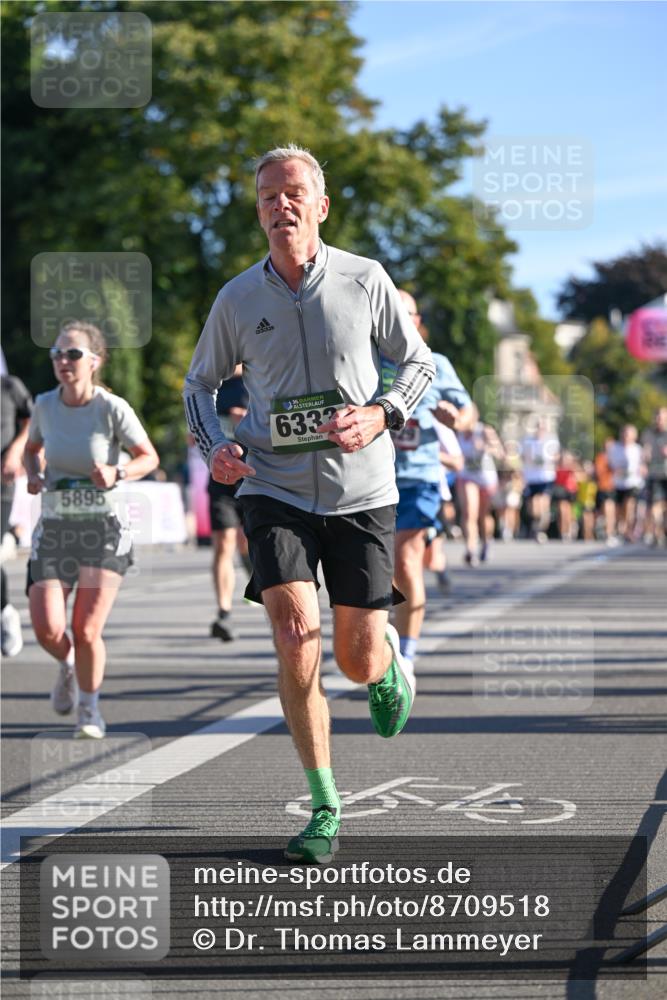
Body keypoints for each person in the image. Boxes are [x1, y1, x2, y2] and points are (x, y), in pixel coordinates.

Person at [184, 144, 435, 863]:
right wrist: (215, 448)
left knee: (352, 660)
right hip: (275, 486)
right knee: (296, 634)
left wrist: (382, 412)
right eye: (267, 196)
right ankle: (324, 804)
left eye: (293, 193)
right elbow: (197, 385)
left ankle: (384, 661)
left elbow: (416, 361)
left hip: (362, 489)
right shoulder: (236, 298)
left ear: (320, 206)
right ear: (258, 210)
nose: (280, 205)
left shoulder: (365, 279)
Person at [23, 322, 159, 738]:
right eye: (57, 354)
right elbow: (32, 449)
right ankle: (67, 665)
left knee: (85, 629)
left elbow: (147, 457)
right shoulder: (45, 405)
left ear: (94, 361)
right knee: (47, 629)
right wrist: (33, 473)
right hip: (55, 527)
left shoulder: (110, 408)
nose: (63, 361)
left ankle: (89, 709)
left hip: (103, 527)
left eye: (73, 354)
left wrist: (117, 471)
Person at [385, 291, 472, 667]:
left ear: (418, 321)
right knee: (379, 572)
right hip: (372, 482)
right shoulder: (366, 361)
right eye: (394, 314)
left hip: (419, 479)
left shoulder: (435, 363)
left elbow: (470, 410)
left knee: (406, 561)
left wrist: (458, 418)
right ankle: (383, 637)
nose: (402, 322)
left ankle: (406, 653)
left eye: (409, 315)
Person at [207, 365, 252, 641]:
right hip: (221, 477)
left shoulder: (261, 376)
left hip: (255, 474)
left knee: (247, 541)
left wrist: (246, 420)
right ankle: (223, 614)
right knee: (224, 542)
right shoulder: (211, 385)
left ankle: (253, 574)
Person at [1, 373, 33, 656]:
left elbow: (31, 421)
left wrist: (15, 450)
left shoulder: (10, 386)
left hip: (2, 483)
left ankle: (5, 611)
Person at [457, 408, 504, 565]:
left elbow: (500, 453)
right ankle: (470, 549)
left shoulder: (484, 430)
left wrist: (486, 448)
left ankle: (486, 542)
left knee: (484, 515)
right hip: (467, 477)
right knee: (469, 512)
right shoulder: (458, 432)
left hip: (486, 478)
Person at [520, 418, 560, 542]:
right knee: (533, 506)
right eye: (539, 427)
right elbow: (522, 456)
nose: (541, 429)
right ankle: (536, 525)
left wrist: (549, 459)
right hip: (532, 477)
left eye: (543, 427)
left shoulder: (552, 440)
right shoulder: (527, 440)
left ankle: (541, 530)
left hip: (546, 476)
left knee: (543, 503)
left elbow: (557, 455)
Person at [608, 424, 644, 542]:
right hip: (618, 483)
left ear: (634, 436)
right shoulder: (614, 448)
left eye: (628, 434)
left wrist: (642, 469)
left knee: (629, 506)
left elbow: (642, 465)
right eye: (624, 433)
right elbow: (610, 464)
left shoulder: (637, 449)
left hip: (633, 483)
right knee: (619, 509)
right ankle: (620, 529)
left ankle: (628, 531)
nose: (626, 436)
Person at [641, 407, 667, 546]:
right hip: (655, 474)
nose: (659, 420)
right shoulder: (648, 433)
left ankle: (662, 531)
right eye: (657, 417)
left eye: (662, 417)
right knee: (655, 504)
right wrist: (644, 460)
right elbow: (644, 451)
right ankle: (658, 533)